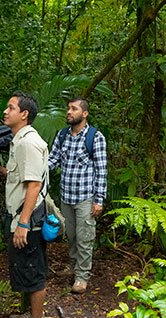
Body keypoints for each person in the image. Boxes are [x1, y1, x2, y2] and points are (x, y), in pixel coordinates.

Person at [0, 92, 50, 318]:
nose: (6, 111)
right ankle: (28, 313)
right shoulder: (19, 141)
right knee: (23, 266)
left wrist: (23, 223)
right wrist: (3, 171)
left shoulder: (28, 143)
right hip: (20, 216)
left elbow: (34, 185)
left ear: (24, 114)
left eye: (11, 107)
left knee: (32, 267)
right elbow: (22, 175)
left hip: (28, 219)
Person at [48, 97, 107, 294]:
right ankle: (73, 267)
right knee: (71, 236)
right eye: (68, 109)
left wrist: (99, 200)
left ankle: (82, 276)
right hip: (66, 196)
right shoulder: (62, 135)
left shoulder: (94, 137)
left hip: (85, 198)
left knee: (85, 237)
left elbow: (101, 170)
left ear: (85, 113)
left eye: (74, 109)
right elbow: (53, 160)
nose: (69, 112)